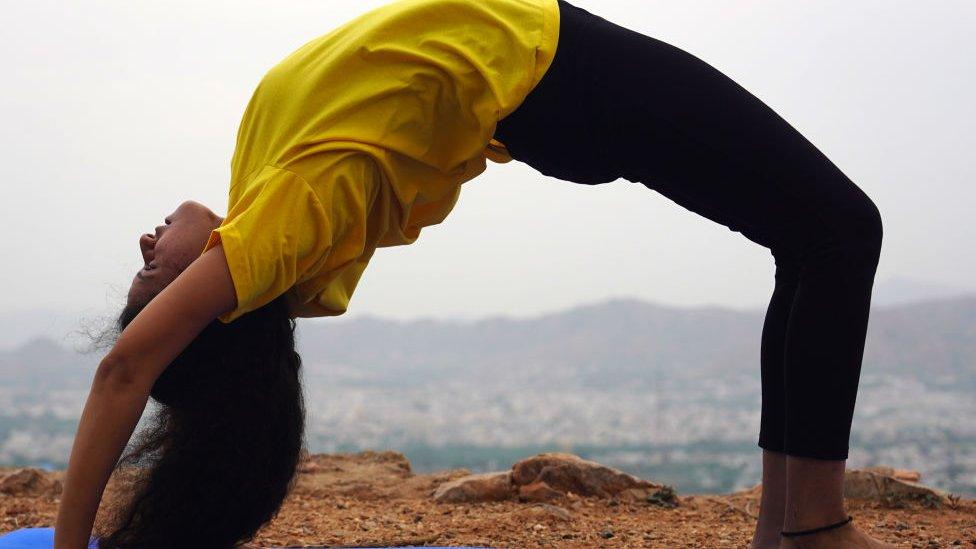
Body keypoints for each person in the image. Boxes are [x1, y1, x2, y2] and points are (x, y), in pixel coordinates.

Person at [53, 0, 893, 547]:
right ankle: (814, 526)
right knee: (840, 231)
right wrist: (70, 546)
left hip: (550, 69)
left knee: (814, 237)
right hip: (560, 74)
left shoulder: (260, 187)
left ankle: (787, 526)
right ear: (204, 302)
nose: (144, 244)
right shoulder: (283, 223)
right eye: (148, 278)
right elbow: (126, 369)